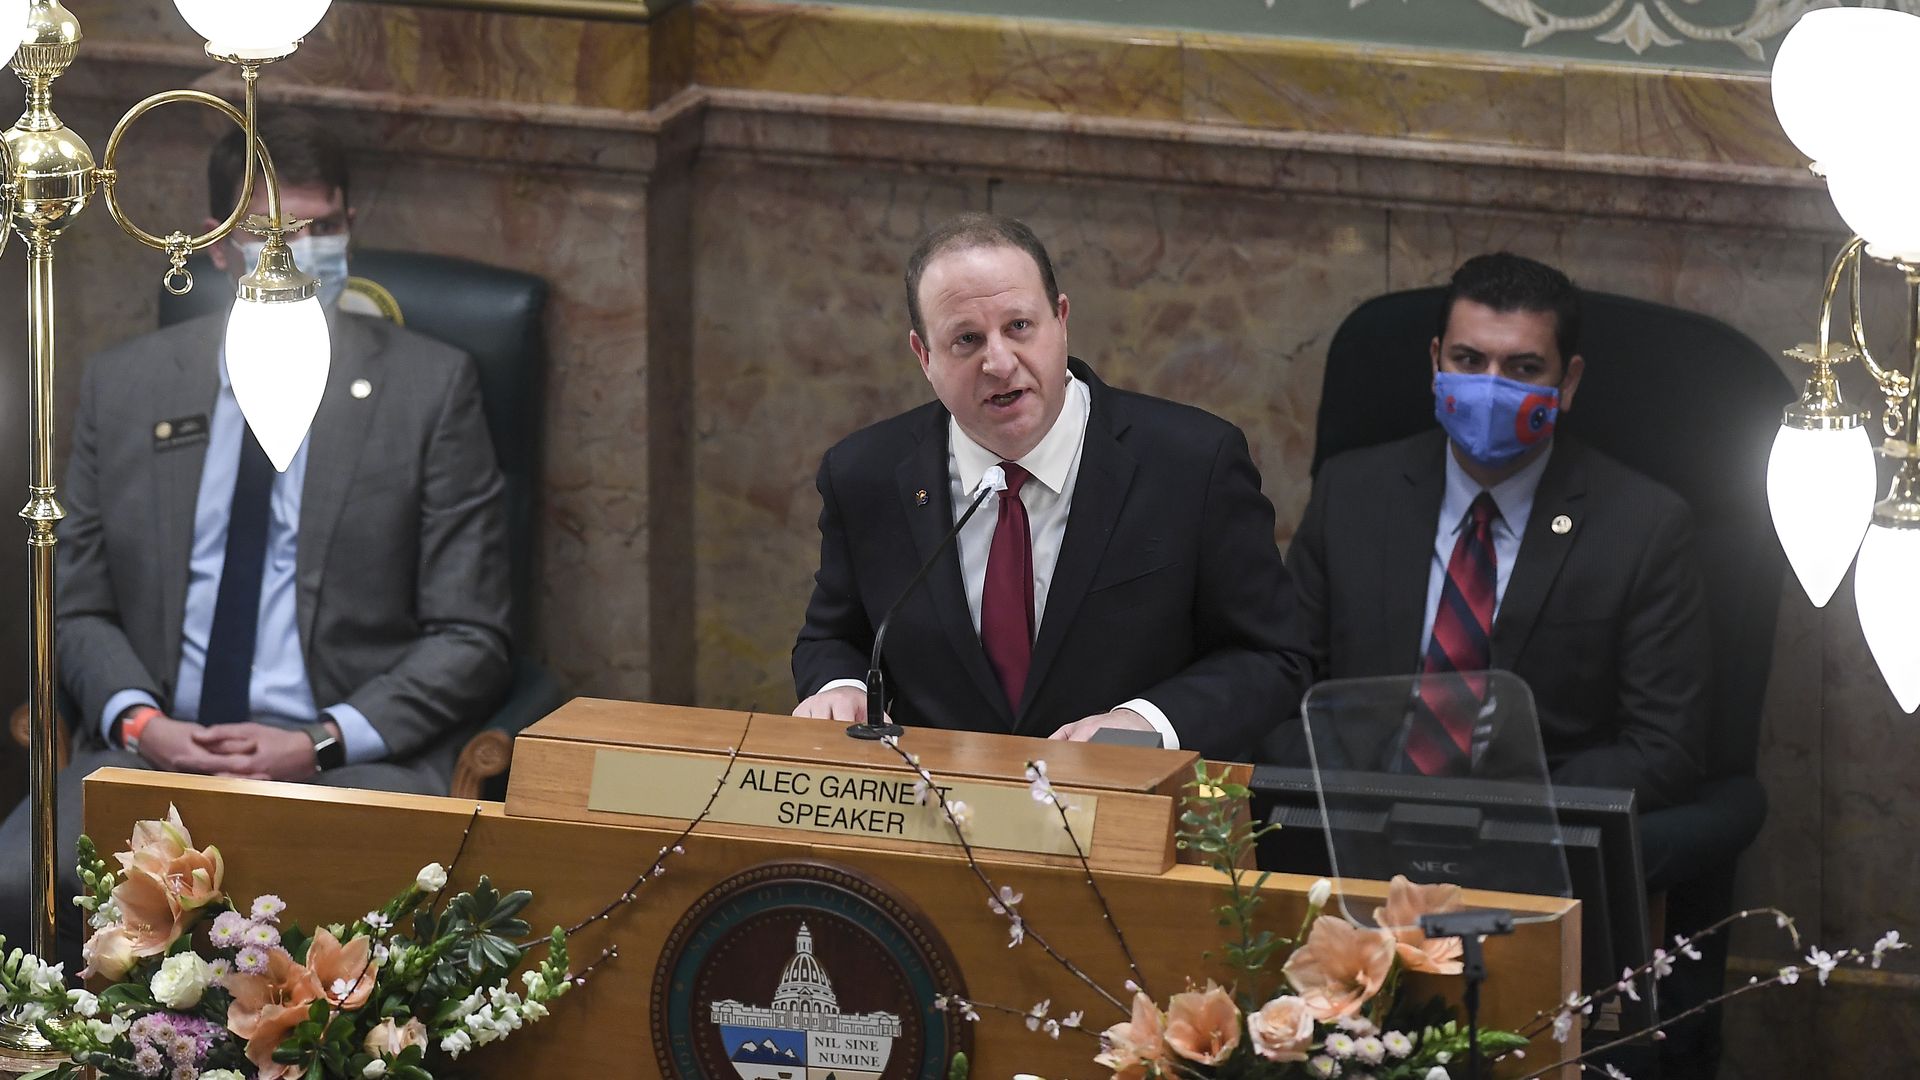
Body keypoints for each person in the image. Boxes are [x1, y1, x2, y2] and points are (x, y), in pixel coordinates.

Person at [0, 113, 512, 965]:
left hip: (342, 764)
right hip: (156, 757)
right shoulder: (126, 387)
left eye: (324, 227)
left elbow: (474, 636)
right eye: (274, 231)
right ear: (215, 245)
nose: (302, 250)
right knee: (23, 876)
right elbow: (76, 604)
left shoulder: (428, 391)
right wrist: (140, 724)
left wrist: (319, 740)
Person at [791, 212, 1309, 760]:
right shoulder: (865, 475)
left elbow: (1273, 657)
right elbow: (834, 637)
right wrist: (840, 688)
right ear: (924, 355)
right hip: (936, 813)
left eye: (1019, 327)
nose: (999, 362)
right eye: (966, 340)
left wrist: (1147, 721)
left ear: (1060, 320)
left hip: (1126, 809)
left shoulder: (1192, 464)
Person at [1274, 251, 1707, 811]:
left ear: (1567, 380)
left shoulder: (1643, 527)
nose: (1490, 388)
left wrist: (1492, 809)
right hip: (1354, 822)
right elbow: (1282, 686)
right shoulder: (1351, 494)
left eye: (1524, 368)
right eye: (1469, 360)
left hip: (1531, 837)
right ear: (1436, 363)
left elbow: (1665, 749)